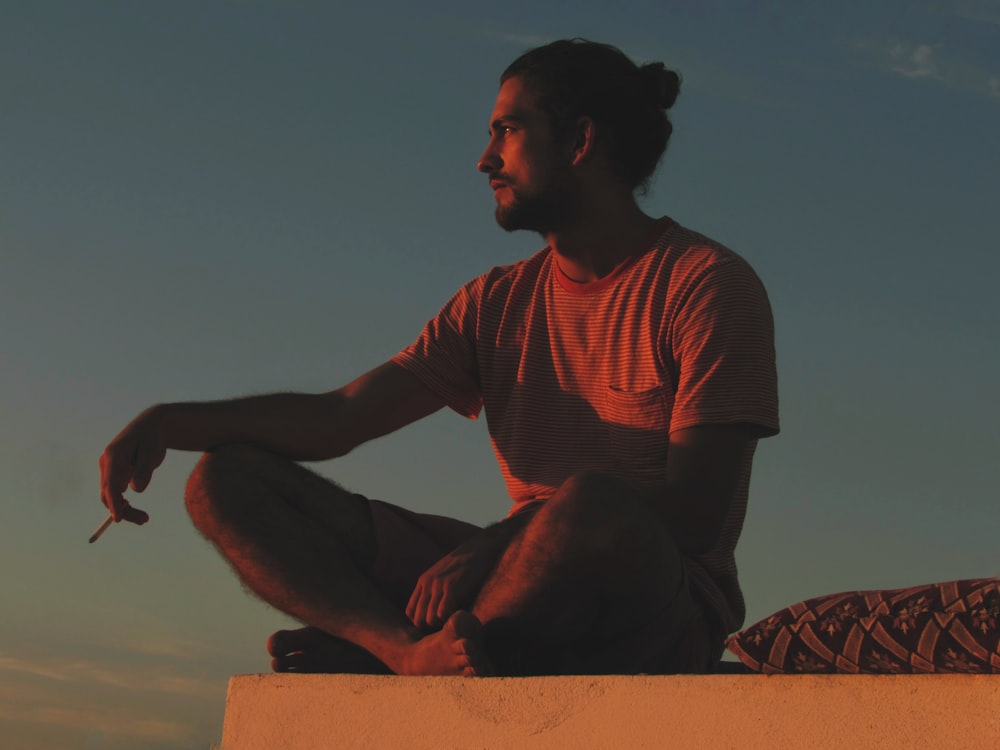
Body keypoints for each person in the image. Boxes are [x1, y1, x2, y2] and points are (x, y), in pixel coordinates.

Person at [99, 39, 778, 677]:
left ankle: (426, 649)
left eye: (507, 130)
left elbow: (693, 511)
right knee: (225, 479)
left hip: (655, 609)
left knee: (589, 507)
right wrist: (168, 423)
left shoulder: (707, 283)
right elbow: (341, 418)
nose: (485, 158)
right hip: (508, 579)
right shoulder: (495, 302)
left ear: (580, 140)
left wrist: (497, 544)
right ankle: (400, 651)